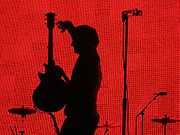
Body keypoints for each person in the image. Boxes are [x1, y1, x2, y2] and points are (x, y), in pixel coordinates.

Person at [56, 21, 102, 135]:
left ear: (84, 42)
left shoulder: (88, 58)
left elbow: (75, 91)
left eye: (75, 40)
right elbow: (76, 87)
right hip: (84, 117)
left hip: (80, 119)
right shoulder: (89, 58)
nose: (72, 43)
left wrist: (59, 80)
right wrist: (70, 28)